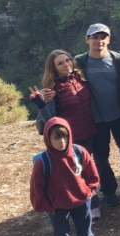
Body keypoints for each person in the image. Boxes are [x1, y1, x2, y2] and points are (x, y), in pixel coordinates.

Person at [30, 118, 110, 236]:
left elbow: (91, 173)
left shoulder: (79, 152)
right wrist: (47, 207)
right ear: (47, 139)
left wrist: (89, 190)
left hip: (82, 202)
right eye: (56, 138)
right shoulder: (43, 162)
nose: (62, 142)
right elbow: (37, 189)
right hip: (58, 207)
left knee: (86, 233)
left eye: (65, 137)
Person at [74, 23, 120, 204]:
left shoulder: (118, 59)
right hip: (95, 118)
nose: (99, 41)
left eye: (102, 37)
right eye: (94, 37)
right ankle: (109, 190)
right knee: (101, 157)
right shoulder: (79, 62)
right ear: (87, 40)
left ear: (108, 40)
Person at [30, 51, 102, 217]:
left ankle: (90, 199)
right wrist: (41, 103)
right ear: (53, 68)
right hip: (71, 137)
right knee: (78, 170)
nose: (66, 65)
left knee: (90, 166)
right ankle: (89, 206)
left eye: (67, 60)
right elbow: (50, 121)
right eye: (60, 63)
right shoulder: (51, 90)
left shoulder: (80, 79)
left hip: (90, 131)